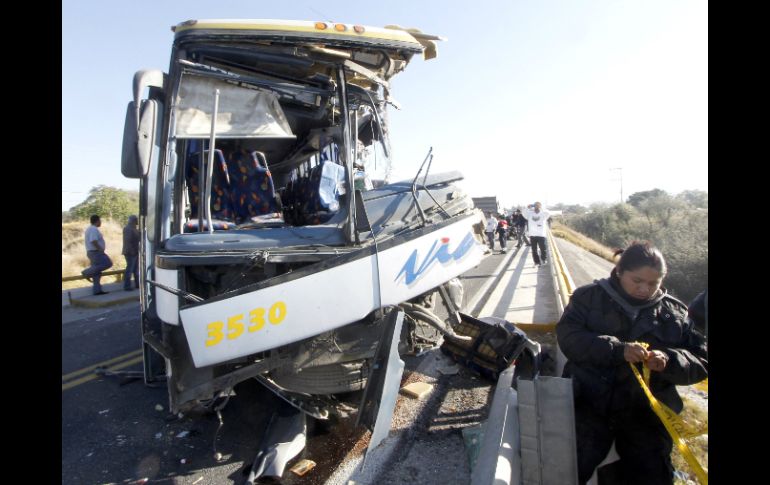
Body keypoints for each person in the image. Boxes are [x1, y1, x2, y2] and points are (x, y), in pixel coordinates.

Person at [556, 241, 708, 485]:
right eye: (637, 281)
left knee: (652, 475)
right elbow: (569, 338)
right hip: (588, 404)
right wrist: (617, 350)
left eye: (653, 283)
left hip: (645, 415)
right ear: (619, 272)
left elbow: (700, 360)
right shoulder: (589, 297)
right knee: (569, 471)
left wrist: (669, 360)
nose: (644, 289)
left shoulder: (676, 314)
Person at [81, 215, 113, 295]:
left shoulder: (90, 229)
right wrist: (100, 249)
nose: (101, 222)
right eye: (100, 220)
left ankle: (97, 290)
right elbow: (93, 240)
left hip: (92, 252)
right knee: (108, 263)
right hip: (95, 252)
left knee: (97, 273)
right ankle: (86, 272)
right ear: (97, 221)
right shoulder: (93, 229)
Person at [122, 215, 140, 291]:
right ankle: (127, 286)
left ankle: (137, 284)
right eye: (136, 220)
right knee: (130, 269)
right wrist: (132, 251)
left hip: (135, 251)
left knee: (136, 269)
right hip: (130, 252)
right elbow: (128, 241)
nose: (137, 221)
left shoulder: (133, 228)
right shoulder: (128, 229)